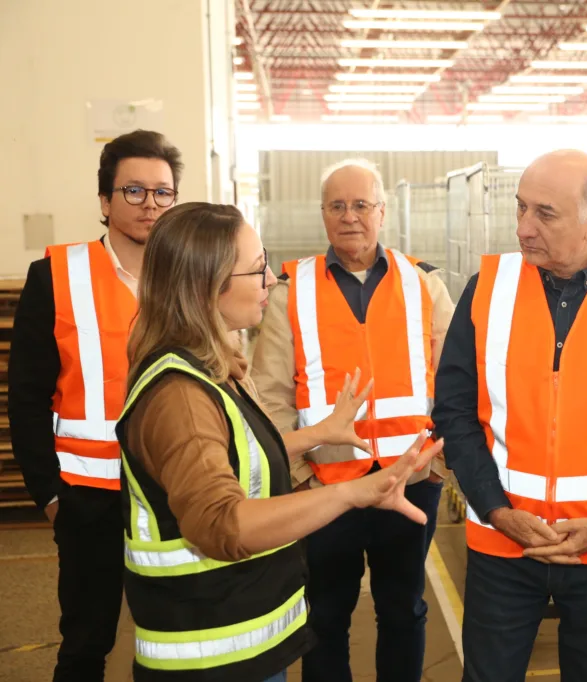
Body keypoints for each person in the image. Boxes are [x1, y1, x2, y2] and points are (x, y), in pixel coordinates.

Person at [115, 201, 442, 682]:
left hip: (239, 640)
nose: (270, 279)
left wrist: (318, 434)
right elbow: (222, 522)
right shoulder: (180, 395)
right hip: (213, 655)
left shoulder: (203, 367)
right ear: (208, 283)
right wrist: (352, 492)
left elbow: (234, 452)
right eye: (257, 268)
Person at [431, 149, 587, 682]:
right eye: (520, 208)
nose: (524, 228)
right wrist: (496, 510)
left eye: (544, 214)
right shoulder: (489, 287)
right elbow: (454, 410)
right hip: (503, 542)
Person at [249, 158, 455, 682]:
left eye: (361, 205)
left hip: (408, 483)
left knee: (404, 608)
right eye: (337, 206)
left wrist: (435, 467)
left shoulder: (424, 285)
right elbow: (271, 395)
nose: (350, 217)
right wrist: (296, 477)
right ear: (322, 215)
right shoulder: (289, 291)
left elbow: (454, 383)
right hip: (323, 488)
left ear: (382, 212)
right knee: (324, 613)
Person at [9, 129, 182, 682]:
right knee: (86, 644)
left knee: (177, 641)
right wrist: (50, 496)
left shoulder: (189, 277)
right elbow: (27, 396)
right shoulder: (55, 276)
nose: (149, 204)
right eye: (133, 191)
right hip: (88, 500)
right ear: (105, 202)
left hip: (175, 494)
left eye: (162, 192)